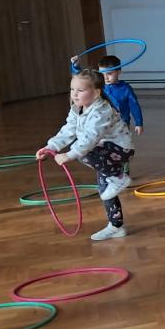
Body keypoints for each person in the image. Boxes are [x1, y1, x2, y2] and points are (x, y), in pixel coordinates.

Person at [39, 69, 135, 241]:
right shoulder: (77, 109)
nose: (74, 94)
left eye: (80, 90)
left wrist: (69, 155)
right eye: (72, 89)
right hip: (102, 152)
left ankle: (118, 176)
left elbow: (90, 138)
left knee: (83, 152)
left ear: (96, 93)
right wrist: (50, 147)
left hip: (119, 150)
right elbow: (68, 131)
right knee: (106, 191)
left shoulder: (101, 111)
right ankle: (116, 226)